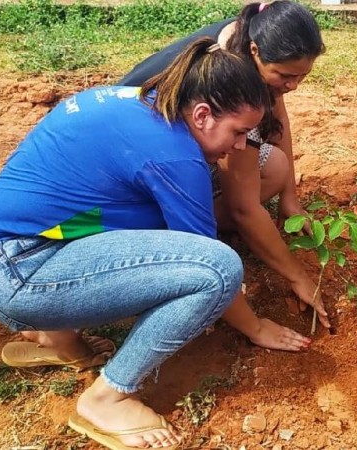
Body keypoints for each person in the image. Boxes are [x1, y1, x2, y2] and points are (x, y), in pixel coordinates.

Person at [0, 38, 314, 450]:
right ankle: (107, 397)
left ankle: (62, 342)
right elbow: (207, 262)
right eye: (238, 132)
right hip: (20, 272)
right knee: (219, 270)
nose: (239, 146)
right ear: (202, 114)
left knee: (150, 217)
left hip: (9, 252)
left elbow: (88, 206)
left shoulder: (141, 101)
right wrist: (255, 326)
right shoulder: (175, 156)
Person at [120, 1, 331, 329]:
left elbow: (280, 119)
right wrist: (297, 275)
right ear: (255, 51)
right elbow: (244, 206)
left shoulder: (254, 41)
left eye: (303, 76)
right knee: (235, 200)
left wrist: (290, 198)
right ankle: (167, 232)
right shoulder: (229, 73)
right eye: (287, 76)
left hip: (173, 143)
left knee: (274, 168)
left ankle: (196, 220)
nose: (293, 85)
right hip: (138, 154)